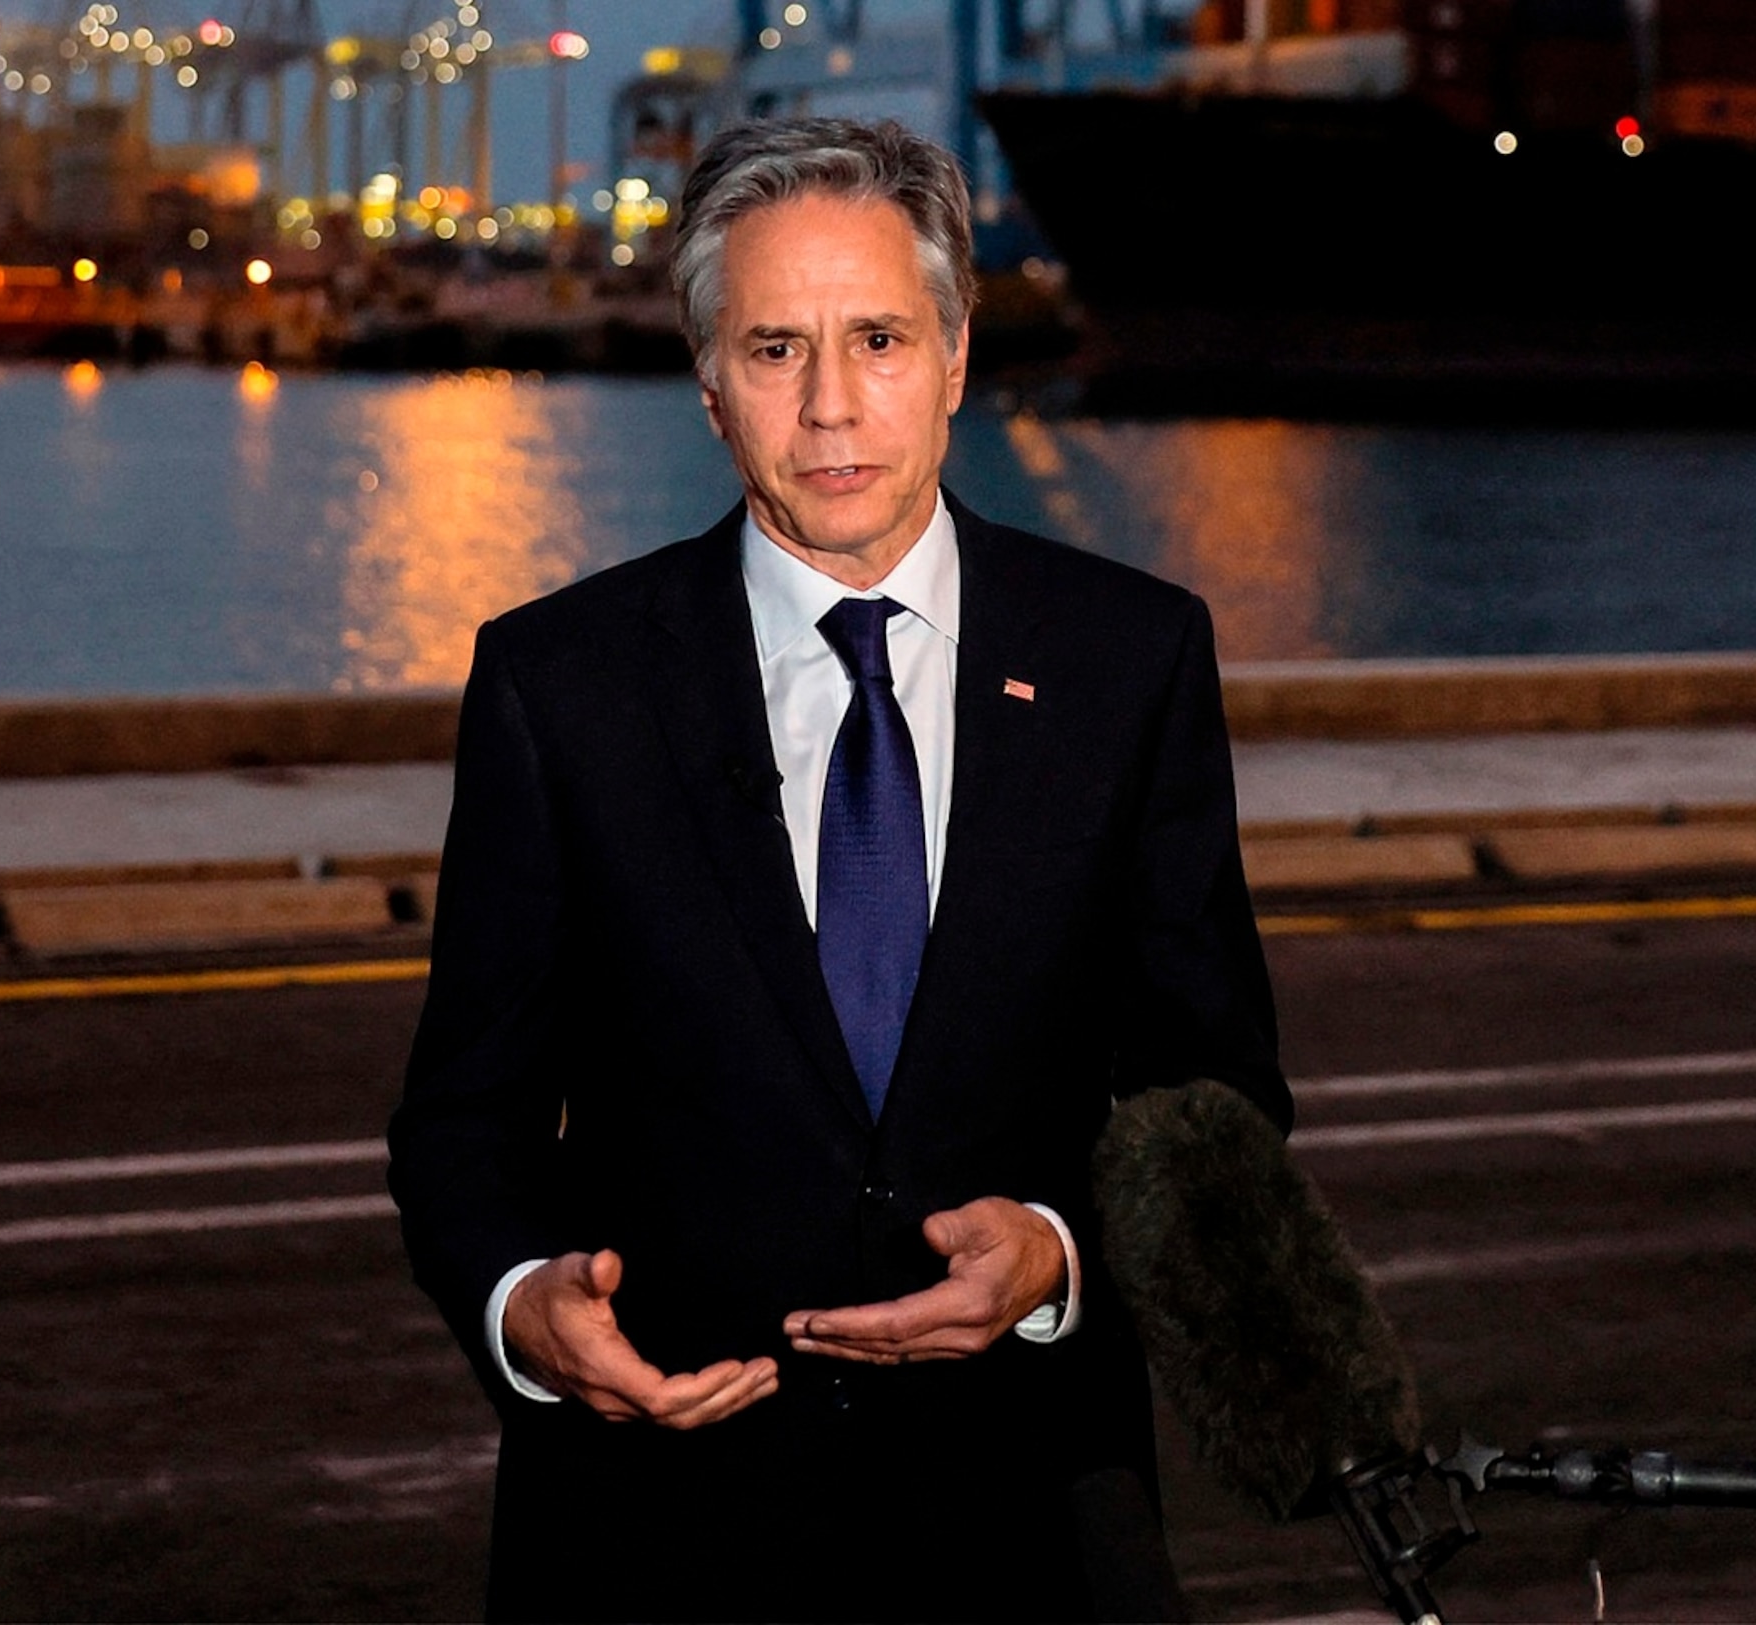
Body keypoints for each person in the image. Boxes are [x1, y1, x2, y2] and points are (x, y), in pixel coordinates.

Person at [388, 114, 1289, 1623]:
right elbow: (461, 1124)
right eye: (772, 350)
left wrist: (1058, 1254)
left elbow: (1218, 1100)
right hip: (655, 1532)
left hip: (1031, 1525)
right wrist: (523, 1307)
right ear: (706, 381)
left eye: (875, 338)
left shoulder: (1130, 658)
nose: (829, 408)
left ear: (952, 352)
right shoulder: (562, 682)